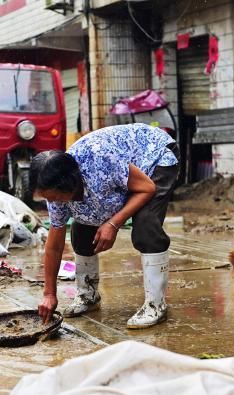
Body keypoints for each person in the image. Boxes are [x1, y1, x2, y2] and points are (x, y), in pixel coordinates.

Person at [30, 123, 179, 329]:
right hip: (125, 172)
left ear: (69, 184)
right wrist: (49, 294)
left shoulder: (100, 160)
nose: (53, 203)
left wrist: (113, 223)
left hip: (154, 157)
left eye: (55, 197)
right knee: (81, 231)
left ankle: (156, 304)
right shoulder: (55, 192)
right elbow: (54, 245)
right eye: (48, 198)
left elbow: (147, 188)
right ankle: (87, 295)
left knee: (146, 226)